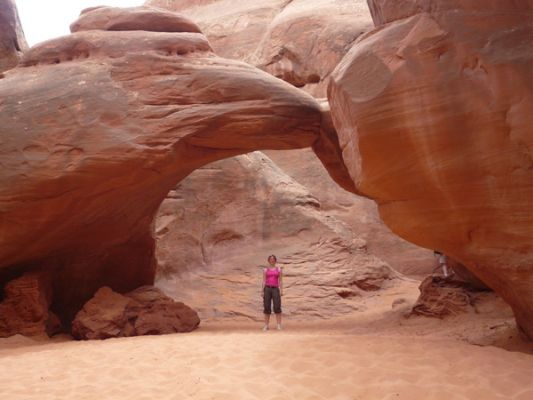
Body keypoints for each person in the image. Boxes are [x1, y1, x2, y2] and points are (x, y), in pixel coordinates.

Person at [262, 254, 283, 331]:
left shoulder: (279, 269)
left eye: (273, 259)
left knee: (277, 306)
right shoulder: (265, 270)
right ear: (268, 261)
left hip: (275, 289)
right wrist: (262, 291)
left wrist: (281, 290)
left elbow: (280, 281)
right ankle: (266, 325)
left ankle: (278, 325)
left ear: (275, 260)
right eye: (270, 259)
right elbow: (264, 281)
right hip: (267, 289)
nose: (272, 260)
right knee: (267, 307)